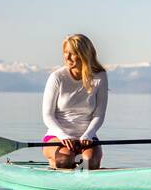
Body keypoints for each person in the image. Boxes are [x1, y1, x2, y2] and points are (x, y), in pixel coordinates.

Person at [42, 34, 108, 170]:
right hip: (58, 136)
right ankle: (55, 163)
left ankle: (82, 170)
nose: (67, 57)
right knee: (64, 160)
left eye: (72, 54)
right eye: (65, 53)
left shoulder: (100, 76)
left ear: (84, 55)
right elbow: (47, 115)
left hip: (87, 137)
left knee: (90, 163)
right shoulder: (57, 77)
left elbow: (99, 114)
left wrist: (88, 134)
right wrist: (63, 136)